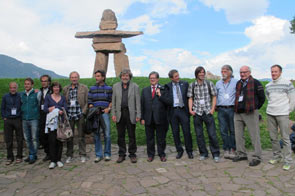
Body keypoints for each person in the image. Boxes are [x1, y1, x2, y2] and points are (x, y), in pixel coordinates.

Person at [233, 65, 265, 166]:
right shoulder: (239, 83)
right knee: (238, 135)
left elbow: (262, 98)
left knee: (254, 135)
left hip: (250, 112)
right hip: (238, 112)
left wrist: (254, 108)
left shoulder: (256, 83)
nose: (242, 74)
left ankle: (257, 156)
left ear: (249, 72)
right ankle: (241, 153)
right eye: (241, 72)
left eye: (245, 72)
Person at [265, 64, 295, 170]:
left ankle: (288, 160)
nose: (273, 73)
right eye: (272, 71)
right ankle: (277, 156)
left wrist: (287, 111)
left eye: (275, 71)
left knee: (285, 138)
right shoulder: (268, 85)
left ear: (280, 72)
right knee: (273, 138)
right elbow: (269, 98)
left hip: (282, 114)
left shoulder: (287, 84)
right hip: (270, 113)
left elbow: (292, 99)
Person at [188, 66, 220, 162]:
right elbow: (190, 98)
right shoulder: (192, 85)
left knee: (212, 134)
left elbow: (214, 96)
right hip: (197, 112)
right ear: (196, 74)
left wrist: (213, 109)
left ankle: (215, 153)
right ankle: (203, 153)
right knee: (199, 135)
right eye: (200, 72)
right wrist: (190, 109)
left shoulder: (209, 83)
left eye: (203, 72)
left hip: (207, 112)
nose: (202, 74)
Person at [111, 69, 141, 163]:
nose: (125, 77)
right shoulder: (115, 86)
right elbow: (114, 101)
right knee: (120, 135)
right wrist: (113, 114)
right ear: (121, 77)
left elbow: (138, 102)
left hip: (130, 113)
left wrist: (138, 114)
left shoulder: (135, 86)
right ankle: (121, 154)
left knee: (132, 135)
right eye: (123, 76)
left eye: (127, 76)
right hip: (120, 113)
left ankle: (132, 154)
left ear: (129, 77)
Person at [141, 71, 169, 162]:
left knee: (161, 138)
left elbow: (168, 102)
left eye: (154, 78)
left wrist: (160, 95)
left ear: (158, 79)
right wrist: (142, 118)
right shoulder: (145, 90)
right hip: (148, 118)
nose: (152, 79)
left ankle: (162, 154)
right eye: (151, 78)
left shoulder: (163, 89)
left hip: (160, 118)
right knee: (149, 138)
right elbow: (142, 105)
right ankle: (150, 155)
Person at [165, 69, 193, 159]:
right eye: (176, 76)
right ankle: (179, 151)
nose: (178, 77)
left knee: (187, 132)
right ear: (171, 78)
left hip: (183, 111)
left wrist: (190, 109)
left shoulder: (185, 84)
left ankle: (189, 151)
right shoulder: (167, 86)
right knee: (175, 132)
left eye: (178, 75)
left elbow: (190, 97)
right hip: (173, 112)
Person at [63, 71, 88, 163]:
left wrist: (83, 113)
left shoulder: (84, 88)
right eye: (72, 77)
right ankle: (69, 155)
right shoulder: (66, 89)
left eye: (75, 77)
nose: (74, 79)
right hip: (69, 115)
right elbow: (64, 101)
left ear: (78, 78)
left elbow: (87, 101)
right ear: (70, 78)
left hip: (79, 114)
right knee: (69, 136)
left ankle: (82, 154)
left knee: (81, 136)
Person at [88, 70, 112, 163]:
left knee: (107, 134)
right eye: (96, 76)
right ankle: (98, 155)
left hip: (105, 113)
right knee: (96, 135)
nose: (96, 78)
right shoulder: (92, 88)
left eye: (98, 76)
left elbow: (111, 100)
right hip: (95, 114)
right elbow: (89, 102)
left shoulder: (109, 88)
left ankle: (107, 154)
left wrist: (108, 109)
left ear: (103, 77)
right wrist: (94, 109)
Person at [215, 65, 238, 159]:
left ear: (230, 72)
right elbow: (215, 96)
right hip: (221, 109)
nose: (223, 73)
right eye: (222, 71)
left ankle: (233, 148)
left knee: (233, 130)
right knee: (223, 130)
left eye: (225, 71)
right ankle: (226, 148)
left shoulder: (236, 82)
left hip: (232, 108)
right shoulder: (218, 83)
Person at [44, 82, 67, 169]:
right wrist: (52, 108)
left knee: (60, 141)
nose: (56, 89)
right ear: (52, 88)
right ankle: (53, 160)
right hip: (51, 123)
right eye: (54, 87)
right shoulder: (48, 97)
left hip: (60, 122)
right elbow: (45, 109)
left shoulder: (63, 98)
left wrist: (58, 109)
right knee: (52, 141)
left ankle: (59, 159)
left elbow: (65, 107)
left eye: (57, 87)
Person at [1, 82, 23, 165]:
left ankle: (19, 156)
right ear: (9, 88)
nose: (13, 89)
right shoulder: (5, 96)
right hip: (8, 120)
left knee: (19, 139)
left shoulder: (20, 96)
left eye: (14, 87)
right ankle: (9, 157)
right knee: (8, 140)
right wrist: (4, 117)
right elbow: (2, 108)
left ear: (17, 88)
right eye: (11, 88)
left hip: (17, 119)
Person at [21, 78, 40, 164]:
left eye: (28, 84)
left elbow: (39, 104)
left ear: (32, 85)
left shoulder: (36, 93)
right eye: (25, 84)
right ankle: (32, 154)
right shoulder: (22, 94)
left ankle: (33, 155)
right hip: (24, 119)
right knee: (27, 138)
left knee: (34, 138)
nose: (26, 85)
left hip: (34, 119)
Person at [38, 75, 52, 162]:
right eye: (42, 81)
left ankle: (51, 154)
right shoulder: (39, 91)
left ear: (49, 82)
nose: (43, 83)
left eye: (45, 81)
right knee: (42, 135)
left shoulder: (52, 91)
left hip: (50, 114)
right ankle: (47, 152)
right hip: (42, 115)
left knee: (50, 135)